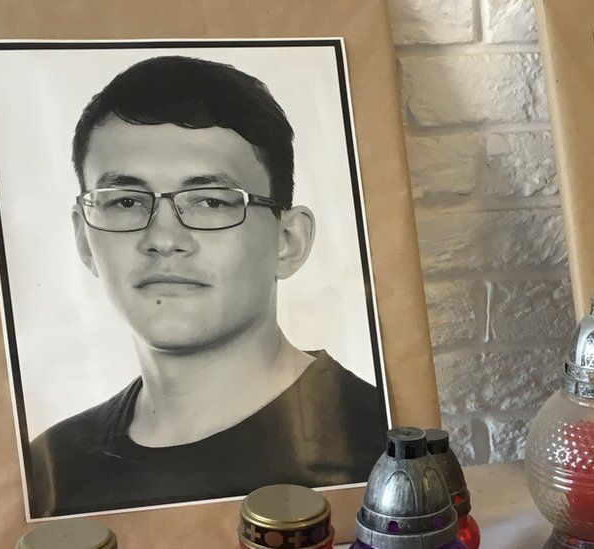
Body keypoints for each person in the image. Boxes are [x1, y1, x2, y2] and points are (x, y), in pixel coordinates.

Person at [28, 55, 388, 517]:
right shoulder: (49, 471)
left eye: (211, 202)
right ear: (84, 238)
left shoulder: (381, 451)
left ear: (287, 241)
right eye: (124, 201)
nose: (163, 240)